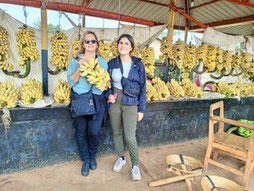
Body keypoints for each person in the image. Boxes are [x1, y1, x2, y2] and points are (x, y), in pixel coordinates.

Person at [67, 31, 108, 176]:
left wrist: (105, 83)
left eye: (93, 41)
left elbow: (106, 82)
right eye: (87, 41)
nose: (90, 44)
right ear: (83, 44)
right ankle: (85, 159)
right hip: (81, 100)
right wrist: (80, 67)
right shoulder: (74, 60)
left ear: (97, 44)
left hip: (97, 100)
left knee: (94, 133)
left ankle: (92, 156)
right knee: (80, 132)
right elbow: (71, 81)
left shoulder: (102, 62)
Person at [107, 34, 146, 181]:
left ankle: (135, 165)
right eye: (121, 43)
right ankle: (121, 158)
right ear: (117, 46)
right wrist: (109, 94)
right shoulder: (112, 64)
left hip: (131, 102)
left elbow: (143, 87)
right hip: (115, 101)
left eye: (126, 44)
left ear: (131, 47)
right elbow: (107, 83)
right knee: (116, 132)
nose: (123, 46)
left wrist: (141, 109)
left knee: (130, 136)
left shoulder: (138, 64)